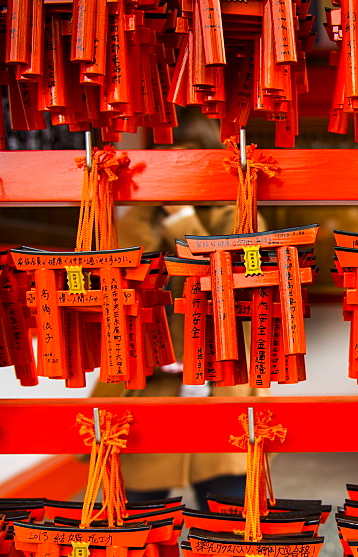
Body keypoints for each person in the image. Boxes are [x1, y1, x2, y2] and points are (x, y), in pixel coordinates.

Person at [92, 196, 261, 510]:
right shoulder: (137, 219)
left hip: (221, 377)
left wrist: (184, 221)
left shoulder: (235, 217)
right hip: (147, 381)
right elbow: (120, 272)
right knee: (133, 508)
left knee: (229, 506)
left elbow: (233, 274)